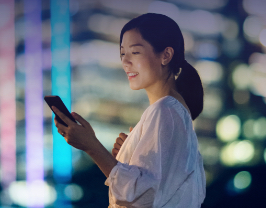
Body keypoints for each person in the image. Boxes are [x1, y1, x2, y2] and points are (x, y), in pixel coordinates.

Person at [53, 13, 206, 208]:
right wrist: (129, 157)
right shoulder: (170, 111)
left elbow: (144, 196)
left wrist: (91, 146)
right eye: (123, 54)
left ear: (166, 55)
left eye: (135, 52)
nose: (125, 62)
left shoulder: (165, 110)